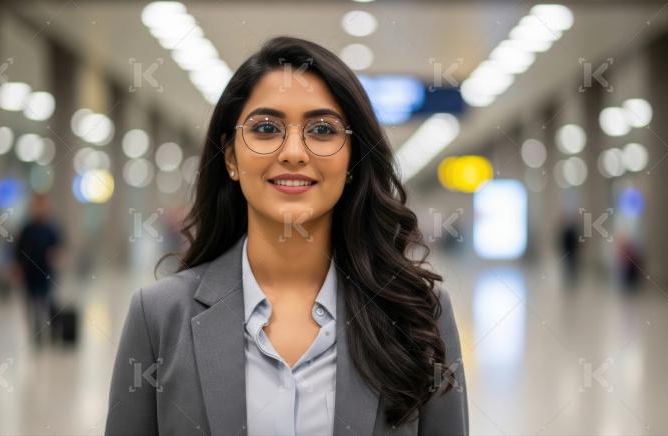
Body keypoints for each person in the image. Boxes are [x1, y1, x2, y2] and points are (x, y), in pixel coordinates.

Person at [105, 36, 468, 436]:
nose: (294, 151)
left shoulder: (418, 313)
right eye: (265, 128)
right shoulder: (158, 316)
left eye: (322, 129)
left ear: (352, 159)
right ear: (230, 157)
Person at [14, 194, 61, 347]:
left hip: (47, 273)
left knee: (49, 303)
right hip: (30, 273)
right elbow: (18, 250)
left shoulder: (51, 228)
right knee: (31, 305)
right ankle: (36, 335)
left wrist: (56, 257)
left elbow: (59, 248)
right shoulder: (27, 229)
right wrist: (18, 268)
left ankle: (53, 333)